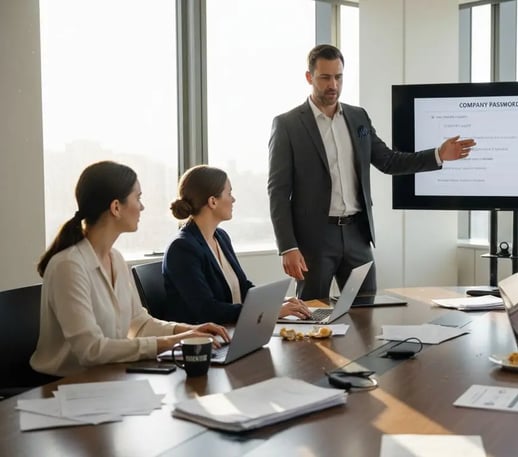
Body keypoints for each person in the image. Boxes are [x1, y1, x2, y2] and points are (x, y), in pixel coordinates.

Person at [268, 44, 476, 300]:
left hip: (357, 235)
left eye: (338, 77)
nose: (333, 84)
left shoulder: (358, 117)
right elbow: (277, 191)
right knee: (312, 313)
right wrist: (287, 246)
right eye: (325, 77)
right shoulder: (288, 125)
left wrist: (438, 155)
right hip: (314, 240)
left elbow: (388, 161)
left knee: (366, 313)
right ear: (309, 77)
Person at [30, 161, 230, 377]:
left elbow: (139, 323)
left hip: (108, 378)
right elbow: (90, 350)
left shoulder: (116, 259)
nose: (142, 207)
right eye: (138, 198)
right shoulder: (68, 266)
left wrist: (188, 331)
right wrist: (174, 341)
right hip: (65, 386)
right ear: (116, 207)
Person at [162, 165, 311, 325]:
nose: (233, 199)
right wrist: (271, 311)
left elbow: (243, 287)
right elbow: (207, 310)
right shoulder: (182, 248)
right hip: (207, 340)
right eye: (229, 193)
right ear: (213, 201)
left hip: (234, 330)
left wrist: (278, 302)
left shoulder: (221, 237)